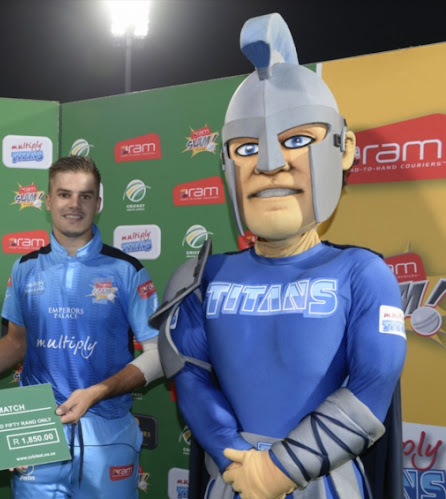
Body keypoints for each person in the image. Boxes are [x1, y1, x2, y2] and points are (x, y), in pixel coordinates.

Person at [154, 13, 407, 499]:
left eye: (296, 140)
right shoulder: (198, 278)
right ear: (226, 162)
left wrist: (278, 472)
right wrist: (243, 468)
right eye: (247, 147)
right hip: (232, 480)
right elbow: (192, 384)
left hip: (323, 484)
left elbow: (372, 387)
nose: (270, 163)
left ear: (344, 148)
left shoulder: (362, 274)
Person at [0, 155, 163, 498]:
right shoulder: (25, 268)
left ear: (98, 203)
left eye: (85, 196)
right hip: (37, 435)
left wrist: (98, 392)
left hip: (108, 435)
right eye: (65, 194)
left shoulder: (127, 270)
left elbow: (158, 354)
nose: (74, 204)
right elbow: (15, 343)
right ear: (48, 200)